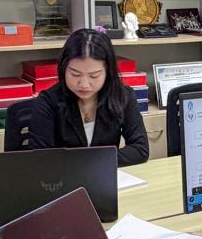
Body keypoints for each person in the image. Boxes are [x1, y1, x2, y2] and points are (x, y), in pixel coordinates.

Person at [29, 29, 149, 167]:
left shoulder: (122, 96)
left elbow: (140, 149)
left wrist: (93, 162)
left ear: (108, 72)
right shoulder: (47, 102)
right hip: (62, 179)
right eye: (75, 74)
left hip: (104, 176)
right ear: (63, 68)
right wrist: (97, 161)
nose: (84, 84)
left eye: (94, 76)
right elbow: (41, 159)